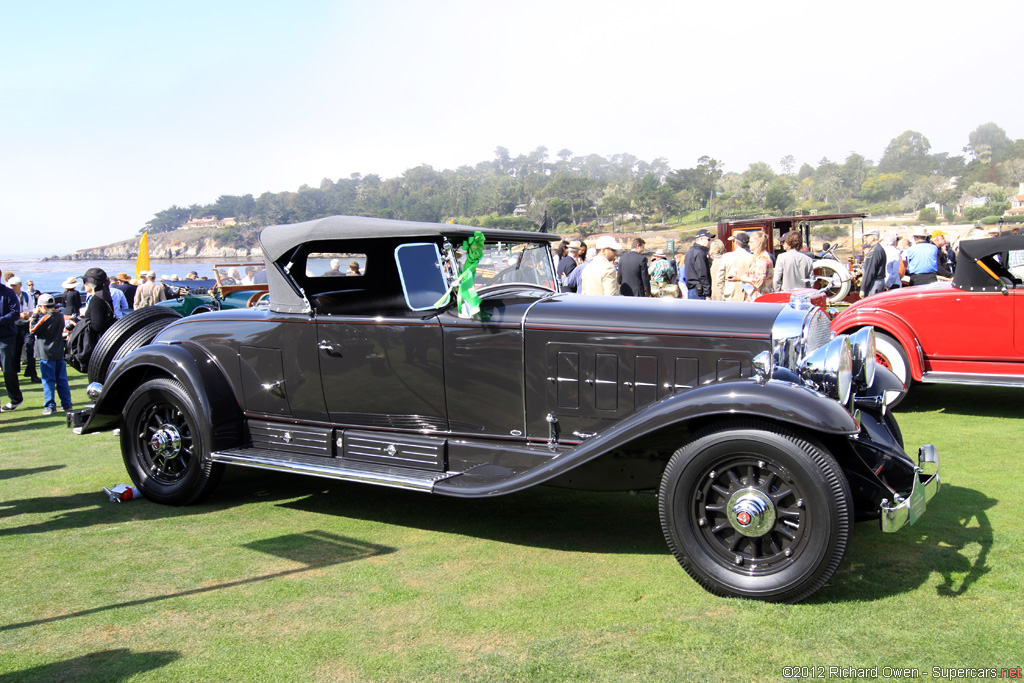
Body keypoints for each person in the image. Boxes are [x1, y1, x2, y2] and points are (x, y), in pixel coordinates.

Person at [29, 293, 73, 415]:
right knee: (62, 379)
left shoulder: (46, 317)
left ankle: (50, 405)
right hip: (58, 351)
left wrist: (34, 315)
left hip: (46, 352)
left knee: (48, 380)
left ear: (42, 306)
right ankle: (66, 404)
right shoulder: (59, 316)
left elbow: (32, 329)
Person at [0, 272, 24, 411]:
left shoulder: (8, 293)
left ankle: (16, 398)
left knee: (8, 369)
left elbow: (15, 313)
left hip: (6, 337)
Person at [735, 231, 774, 301]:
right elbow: (749, 274)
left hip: (761, 298)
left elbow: (757, 281)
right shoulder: (757, 257)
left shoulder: (763, 259)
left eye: (751, 242)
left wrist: (739, 278)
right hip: (755, 298)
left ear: (758, 243)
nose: (748, 244)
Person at [718, 231, 754, 302]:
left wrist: (724, 291)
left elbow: (719, 278)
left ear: (736, 243)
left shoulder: (726, 257)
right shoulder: (753, 258)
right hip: (747, 294)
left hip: (730, 294)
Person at [81, 268, 116, 338]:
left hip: (96, 341)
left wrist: (80, 322)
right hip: (105, 338)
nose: (83, 284)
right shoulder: (105, 297)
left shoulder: (96, 300)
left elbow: (97, 326)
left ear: (93, 283)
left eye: (85, 281)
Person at [684, 229, 713, 299]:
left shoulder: (690, 252)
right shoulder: (699, 253)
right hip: (699, 291)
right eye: (708, 239)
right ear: (701, 239)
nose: (710, 242)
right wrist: (707, 294)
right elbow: (703, 274)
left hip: (692, 289)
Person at [859, 231, 887, 298]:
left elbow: (870, 270)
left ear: (873, 238)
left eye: (867, 237)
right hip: (878, 281)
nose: (866, 239)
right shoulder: (878, 248)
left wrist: (863, 288)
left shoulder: (875, 250)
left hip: (875, 282)